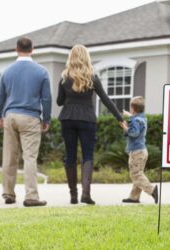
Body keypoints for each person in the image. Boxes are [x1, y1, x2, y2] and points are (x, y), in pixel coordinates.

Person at [57, 44, 124, 205]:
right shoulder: (92, 77)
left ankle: (73, 196)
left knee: (70, 155)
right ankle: (85, 194)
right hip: (87, 119)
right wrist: (120, 119)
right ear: (86, 57)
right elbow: (106, 100)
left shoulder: (64, 77)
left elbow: (59, 102)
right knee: (88, 155)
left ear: (71, 58)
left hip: (67, 118)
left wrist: (69, 95)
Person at [0, 37, 51, 207]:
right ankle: (31, 196)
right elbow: (46, 98)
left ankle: (9, 194)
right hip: (30, 117)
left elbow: (0, 97)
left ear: (16, 49)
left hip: (10, 116)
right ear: (32, 49)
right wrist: (46, 119)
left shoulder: (7, 71)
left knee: (9, 157)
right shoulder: (41, 71)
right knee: (30, 157)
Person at [120, 96, 158, 204]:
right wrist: (129, 116)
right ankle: (134, 197)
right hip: (142, 151)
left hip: (136, 152)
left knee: (136, 175)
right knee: (138, 173)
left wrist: (124, 127)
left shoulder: (135, 120)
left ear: (133, 108)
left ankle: (152, 190)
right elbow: (136, 121)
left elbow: (134, 133)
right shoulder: (142, 118)